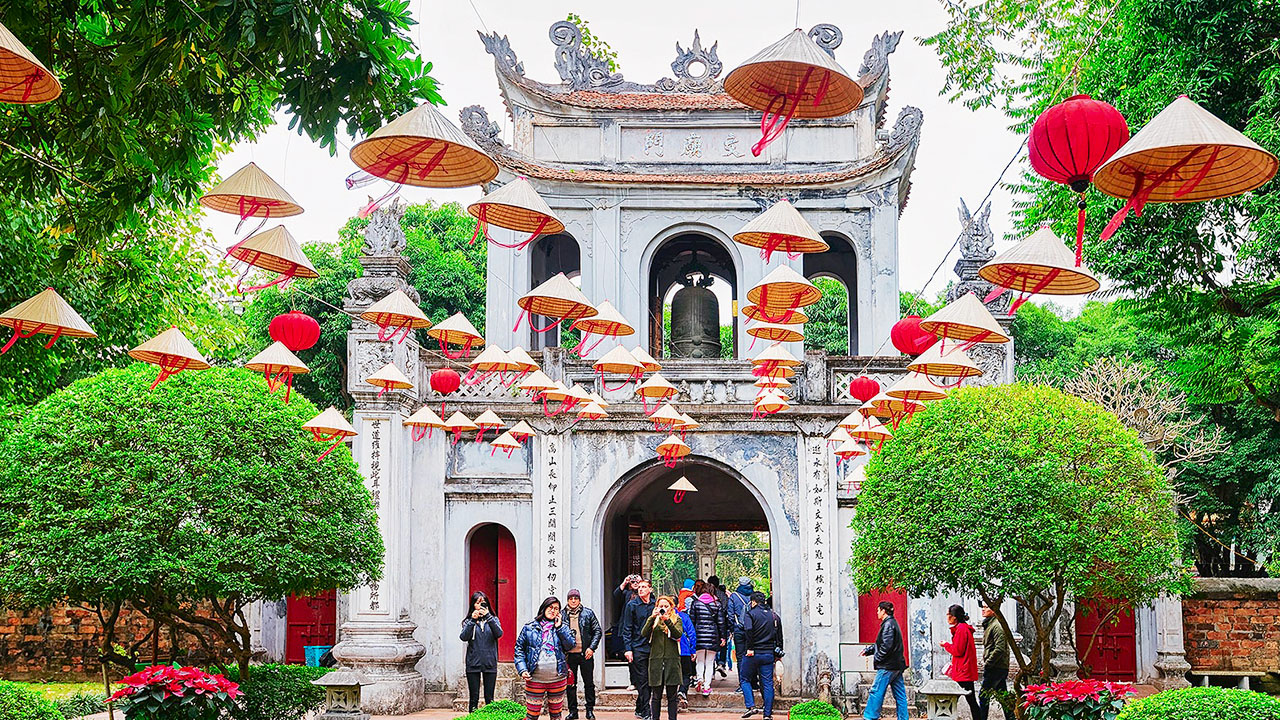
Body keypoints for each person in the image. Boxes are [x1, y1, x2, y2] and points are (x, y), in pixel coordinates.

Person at [515, 597, 576, 720]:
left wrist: (560, 627)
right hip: (535, 679)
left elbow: (570, 645)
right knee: (532, 716)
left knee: (556, 716)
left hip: (557, 679)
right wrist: (522, 669)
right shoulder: (529, 628)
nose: (553, 611)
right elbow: (519, 650)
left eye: (556, 609)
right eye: (550, 607)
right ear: (544, 608)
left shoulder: (562, 627)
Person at [738, 592, 782, 720]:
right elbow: (780, 636)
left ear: (753, 602)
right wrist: (779, 653)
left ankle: (751, 706)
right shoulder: (774, 616)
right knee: (767, 683)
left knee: (745, 679)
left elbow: (748, 630)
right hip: (768, 654)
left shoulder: (750, 614)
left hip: (752, 653)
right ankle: (767, 714)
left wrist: (750, 648)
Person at [861, 601, 907, 720]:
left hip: (888, 666)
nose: (877, 613)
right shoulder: (892, 623)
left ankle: (870, 717)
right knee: (900, 695)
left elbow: (886, 646)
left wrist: (878, 659)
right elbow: (881, 644)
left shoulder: (888, 625)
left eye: (878, 610)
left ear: (883, 611)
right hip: (896, 665)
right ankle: (903, 718)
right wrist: (869, 650)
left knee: (876, 691)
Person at [641, 595, 685, 720]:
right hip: (656, 661)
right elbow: (644, 633)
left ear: (671, 607)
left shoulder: (677, 619)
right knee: (656, 696)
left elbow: (678, 634)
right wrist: (652, 617)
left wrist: (667, 621)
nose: (663, 608)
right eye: (661, 606)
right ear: (656, 607)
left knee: (672, 696)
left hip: (672, 661)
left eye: (666, 606)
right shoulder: (654, 620)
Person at [460, 591, 504, 712]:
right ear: (473, 605)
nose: (480, 605)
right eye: (477, 602)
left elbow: (499, 633)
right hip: (473, 663)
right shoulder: (468, 621)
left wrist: (489, 617)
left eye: (483, 602)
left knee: (489, 698)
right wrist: (472, 620)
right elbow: (463, 637)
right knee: (473, 698)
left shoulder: (493, 619)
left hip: (490, 662)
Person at [621, 579, 657, 719]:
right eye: (639, 587)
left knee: (650, 681)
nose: (640, 589)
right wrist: (628, 649)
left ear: (650, 589)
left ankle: (639, 707)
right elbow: (627, 628)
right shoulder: (632, 605)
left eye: (644, 587)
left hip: (653, 647)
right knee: (642, 680)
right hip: (637, 647)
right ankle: (647, 712)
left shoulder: (655, 605)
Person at [564, 589, 602, 720]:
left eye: (576, 598)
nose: (573, 601)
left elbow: (597, 631)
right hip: (569, 656)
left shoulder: (588, 613)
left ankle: (589, 710)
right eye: (571, 598)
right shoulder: (562, 615)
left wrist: (591, 648)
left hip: (586, 654)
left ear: (579, 600)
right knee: (570, 684)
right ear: (568, 600)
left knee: (588, 683)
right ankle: (573, 711)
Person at [941, 604, 980, 720]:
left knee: (954, 699)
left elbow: (958, 650)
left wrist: (946, 645)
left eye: (948, 614)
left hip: (963, 670)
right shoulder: (963, 628)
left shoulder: (961, 630)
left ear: (954, 617)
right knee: (970, 700)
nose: (947, 617)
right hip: (964, 669)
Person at [689, 580, 726, 696]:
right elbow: (721, 622)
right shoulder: (717, 604)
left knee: (700, 660)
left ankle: (699, 678)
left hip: (699, 636)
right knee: (710, 662)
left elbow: (692, 621)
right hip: (712, 636)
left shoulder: (696, 603)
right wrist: (723, 637)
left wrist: (691, 637)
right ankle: (706, 687)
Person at [978, 600, 1010, 720]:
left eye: (986, 607)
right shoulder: (990, 624)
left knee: (983, 696)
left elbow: (1000, 649)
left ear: (993, 610)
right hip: (998, 666)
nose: (983, 609)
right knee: (1003, 697)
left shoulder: (997, 626)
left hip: (996, 667)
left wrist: (988, 663)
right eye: (983, 607)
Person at [675, 595, 697, 707]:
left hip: (670, 653)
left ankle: (674, 697)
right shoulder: (683, 616)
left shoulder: (661, 618)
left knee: (673, 675)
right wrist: (693, 650)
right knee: (686, 674)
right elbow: (692, 634)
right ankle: (682, 691)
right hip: (684, 650)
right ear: (678, 605)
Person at [708, 576, 731, 676]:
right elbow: (727, 609)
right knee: (723, 644)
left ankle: (711, 668)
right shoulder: (723, 595)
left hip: (710, 624)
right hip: (722, 624)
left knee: (710, 646)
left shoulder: (707, 595)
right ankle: (721, 663)